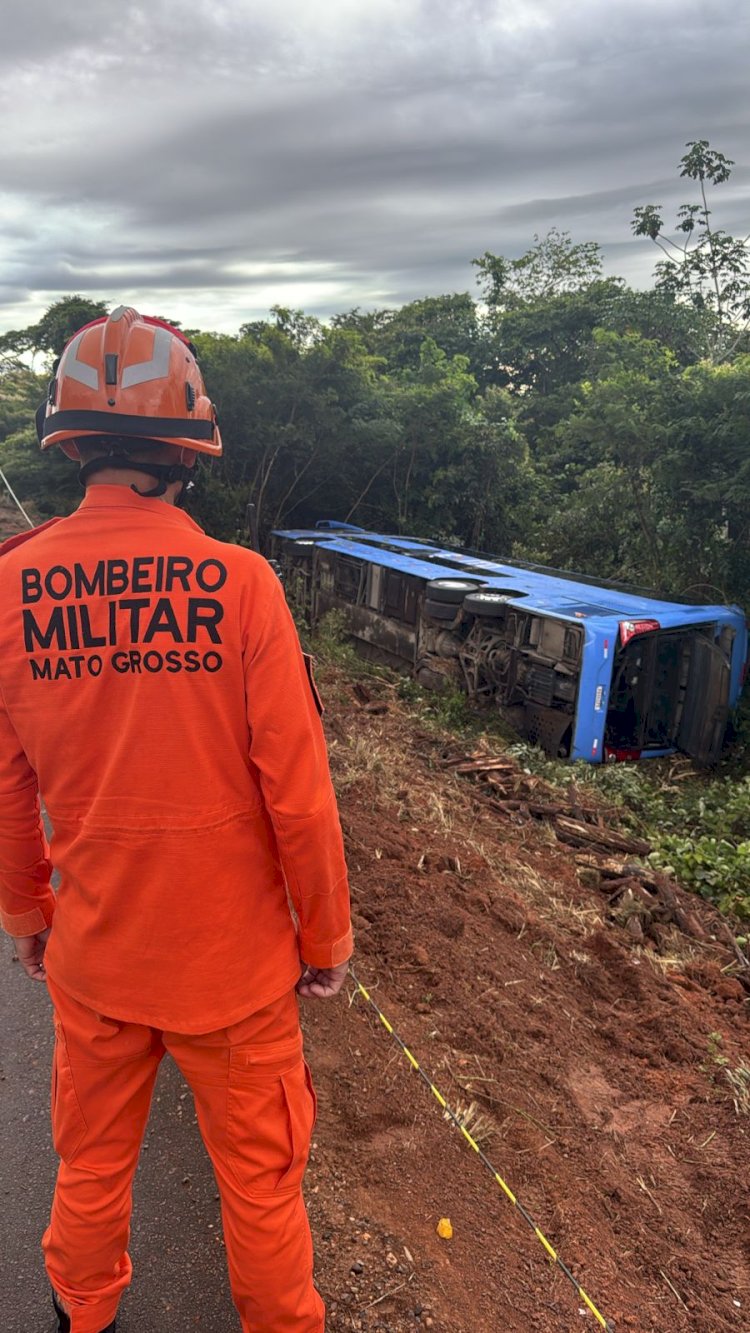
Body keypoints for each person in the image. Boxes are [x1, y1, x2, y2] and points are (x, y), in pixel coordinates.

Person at [0, 306, 353, 1333]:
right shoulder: (243, 586)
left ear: (68, 442)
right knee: (259, 1181)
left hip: (97, 957)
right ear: (189, 450)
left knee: (93, 1155)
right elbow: (299, 793)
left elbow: (10, 783)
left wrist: (27, 910)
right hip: (234, 975)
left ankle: (85, 1314)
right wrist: (323, 936)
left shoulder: (13, 587)